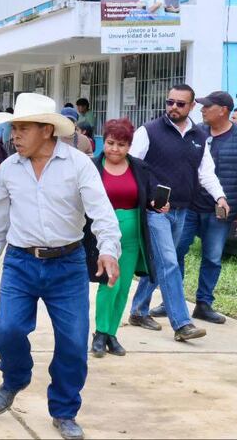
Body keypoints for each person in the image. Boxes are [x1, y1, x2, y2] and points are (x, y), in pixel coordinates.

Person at [0, 93, 121, 440]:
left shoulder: (78, 164)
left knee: (73, 343)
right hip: (20, 263)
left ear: (46, 130)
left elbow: (101, 211)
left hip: (68, 266)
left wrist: (109, 250)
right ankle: (15, 377)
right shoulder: (10, 169)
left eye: (23, 128)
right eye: (14, 129)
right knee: (8, 330)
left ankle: (64, 411)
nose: (15, 136)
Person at [126, 84, 227, 341]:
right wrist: (147, 201)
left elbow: (206, 173)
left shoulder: (199, 136)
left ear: (191, 106)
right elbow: (132, 168)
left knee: (159, 263)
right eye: (170, 102)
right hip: (155, 211)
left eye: (180, 104)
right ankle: (182, 324)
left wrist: (220, 196)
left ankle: (138, 311)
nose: (173, 107)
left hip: (182, 210)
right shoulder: (148, 131)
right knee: (169, 263)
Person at [180, 91, 237, 324]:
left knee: (212, 257)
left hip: (220, 211)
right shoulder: (197, 133)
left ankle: (203, 304)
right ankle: (172, 300)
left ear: (223, 110)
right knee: (176, 251)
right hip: (191, 205)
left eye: (207, 106)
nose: (201, 110)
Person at [90, 118, 165, 358]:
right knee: (108, 283)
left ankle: (112, 333)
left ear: (129, 146)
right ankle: (100, 333)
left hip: (132, 234)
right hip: (102, 234)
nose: (114, 149)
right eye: (110, 143)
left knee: (122, 287)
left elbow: (149, 196)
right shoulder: (92, 167)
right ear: (104, 141)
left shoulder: (139, 167)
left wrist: (158, 204)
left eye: (121, 145)